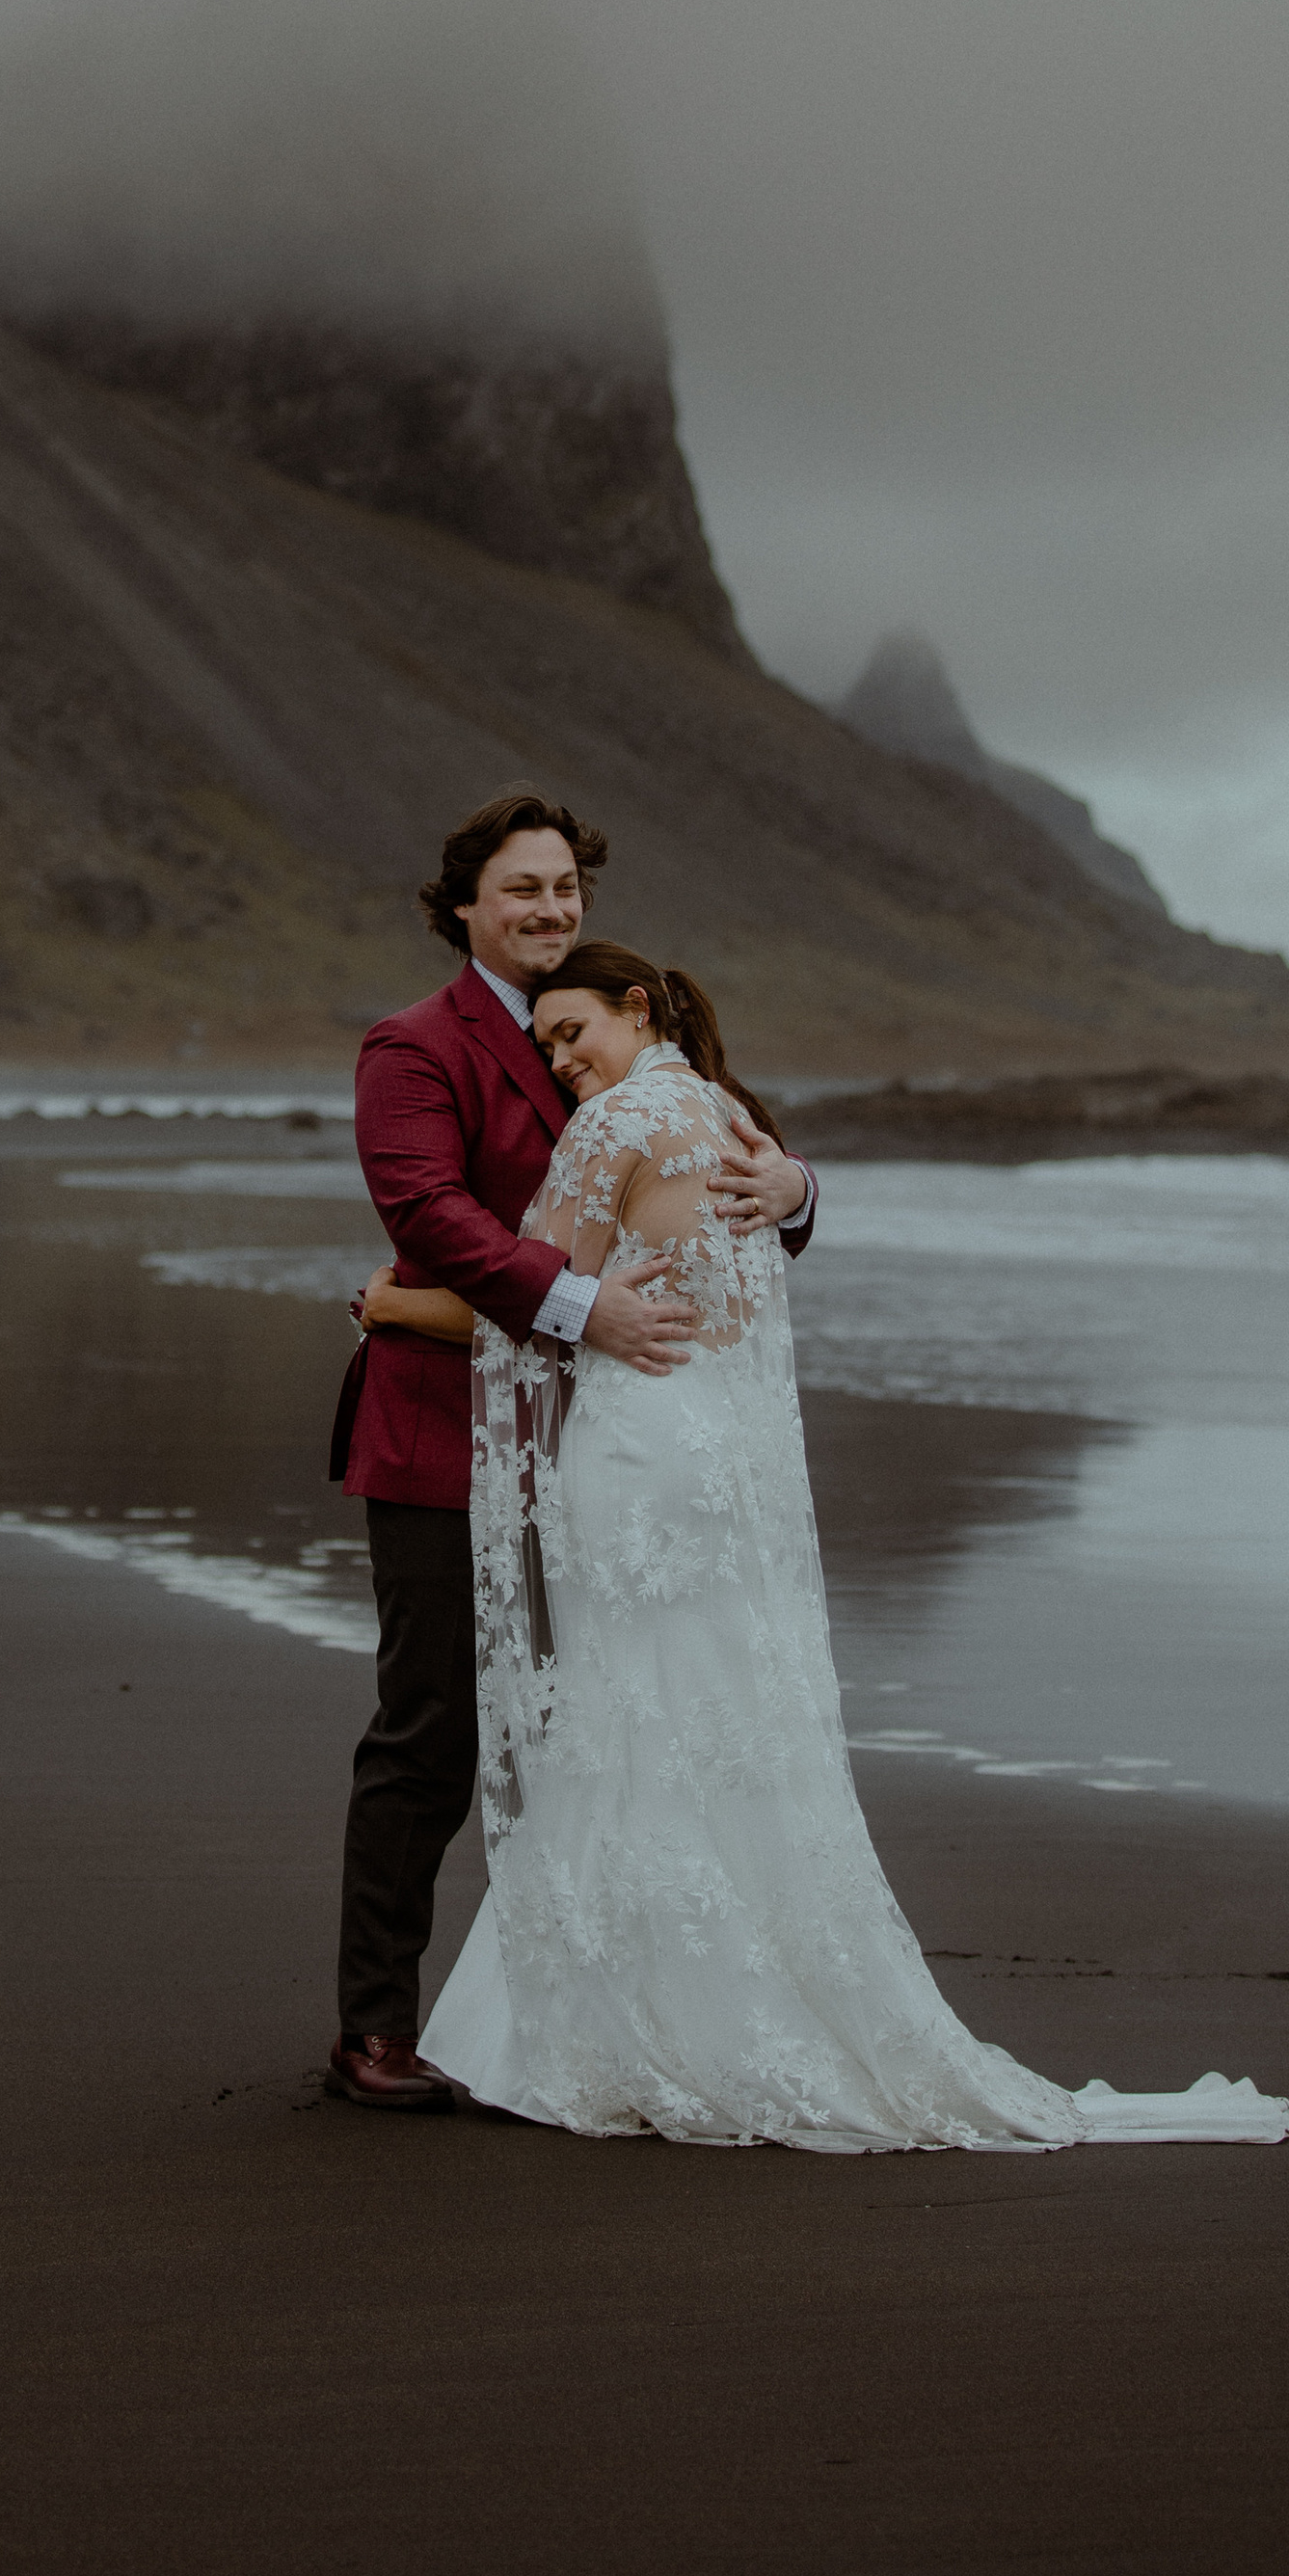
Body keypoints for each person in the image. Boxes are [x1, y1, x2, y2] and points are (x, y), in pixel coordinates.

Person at [371, 938, 1289, 2149]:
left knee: (623, 1722)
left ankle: (620, 2024)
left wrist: (390, 1303)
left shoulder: (614, 1126)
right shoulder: (733, 1121)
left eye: (572, 1032)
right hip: (718, 1462)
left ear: (636, 1010)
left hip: (641, 1457)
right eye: (543, 1044)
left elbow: (529, 1296)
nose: (559, 1061)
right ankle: (720, 1999)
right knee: (702, 1722)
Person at [326, 794, 816, 2111]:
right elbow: (428, 1213)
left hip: (608, 1451)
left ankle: (591, 2017)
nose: (549, 909)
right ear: (464, 908)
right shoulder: (414, 1047)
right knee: (432, 1731)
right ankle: (374, 2031)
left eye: (564, 888)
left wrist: (797, 1191)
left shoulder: (605, 1024)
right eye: (522, 889)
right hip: (444, 1436)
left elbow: (716, 1172)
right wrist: (578, 1304)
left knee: (594, 1734)